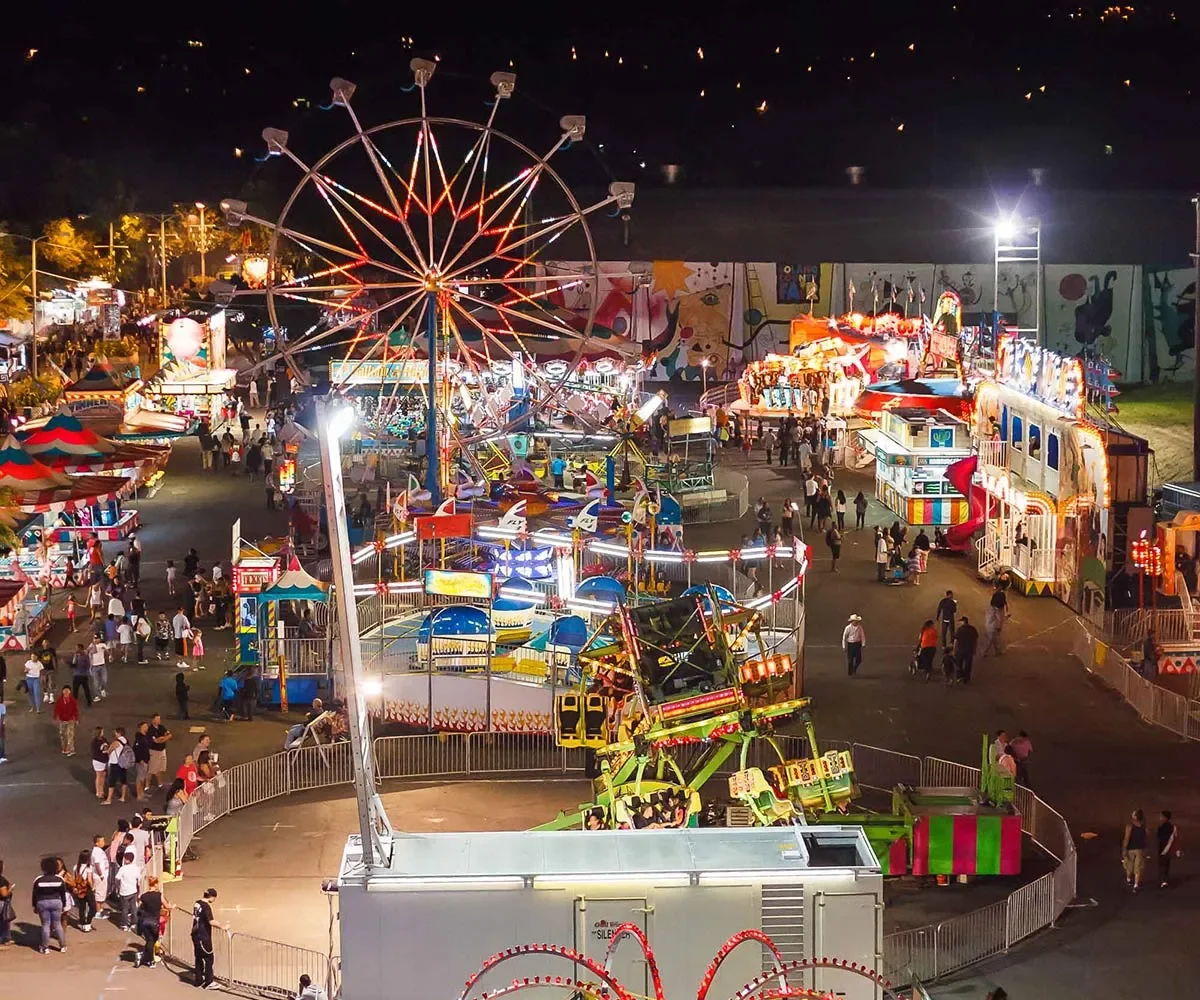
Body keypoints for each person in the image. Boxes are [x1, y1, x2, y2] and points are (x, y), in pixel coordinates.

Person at [31, 856, 70, 954]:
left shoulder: (38, 880)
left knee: (45, 924)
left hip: (42, 902)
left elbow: (35, 894)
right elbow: (63, 894)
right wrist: (64, 905)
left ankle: (45, 947)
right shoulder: (59, 879)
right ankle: (63, 946)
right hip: (56, 902)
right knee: (57, 924)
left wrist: (35, 906)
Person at [192, 887, 226, 989]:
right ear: (211, 897)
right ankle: (209, 981)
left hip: (195, 934)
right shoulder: (206, 907)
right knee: (209, 958)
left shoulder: (197, 903)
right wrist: (222, 926)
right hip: (203, 936)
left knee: (198, 957)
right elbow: (211, 921)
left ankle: (198, 980)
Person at [133, 876, 163, 968]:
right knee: (152, 941)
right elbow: (166, 905)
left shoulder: (144, 896)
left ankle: (143, 956)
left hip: (145, 921)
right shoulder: (159, 895)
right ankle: (150, 960)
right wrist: (172, 906)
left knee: (149, 940)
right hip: (154, 921)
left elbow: (140, 906)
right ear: (155, 884)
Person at [103, 726, 132, 805]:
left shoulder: (116, 742)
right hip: (123, 762)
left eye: (115, 732)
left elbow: (109, 750)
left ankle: (109, 799)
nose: (114, 734)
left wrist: (107, 751)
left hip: (115, 763)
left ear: (118, 733)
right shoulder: (126, 741)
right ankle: (123, 797)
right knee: (123, 780)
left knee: (112, 781)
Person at [1122, 808, 1149, 892]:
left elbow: (1126, 838)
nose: (1132, 815)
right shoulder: (1144, 826)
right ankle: (1136, 884)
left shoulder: (1129, 826)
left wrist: (1124, 849)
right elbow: (1147, 838)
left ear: (1136, 817)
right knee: (1138, 866)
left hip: (1131, 849)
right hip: (1140, 849)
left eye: (1133, 814)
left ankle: (1129, 879)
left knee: (1130, 865)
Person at [70, 850, 97, 932]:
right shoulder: (89, 868)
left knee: (82, 907)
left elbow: (74, 878)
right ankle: (88, 923)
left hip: (79, 889)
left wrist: (75, 888)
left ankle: (82, 923)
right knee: (93, 907)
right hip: (87, 889)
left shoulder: (76, 867)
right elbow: (89, 880)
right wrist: (93, 888)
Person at [114, 852, 140, 931]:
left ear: (126, 859)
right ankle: (134, 923)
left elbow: (117, 878)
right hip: (133, 890)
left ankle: (124, 924)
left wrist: (117, 887)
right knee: (133, 908)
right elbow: (138, 879)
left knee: (125, 909)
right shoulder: (136, 868)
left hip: (124, 891)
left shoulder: (123, 869)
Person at [147, 713, 173, 790]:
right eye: (157, 719)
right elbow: (156, 741)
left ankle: (160, 783)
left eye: (159, 719)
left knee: (161, 768)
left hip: (162, 750)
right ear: (153, 720)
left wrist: (163, 738)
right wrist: (163, 738)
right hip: (154, 751)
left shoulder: (161, 727)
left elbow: (169, 735)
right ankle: (147, 785)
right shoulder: (150, 730)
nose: (159, 720)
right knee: (152, 769)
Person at [53, 686, 79, 756]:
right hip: (62, 720)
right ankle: (64, 748)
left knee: (70, 735)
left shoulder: (73, 700)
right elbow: (56, 709)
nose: (66, 692)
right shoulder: (59, 700)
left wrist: (76, 719)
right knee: (62, 734)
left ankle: (70, 749)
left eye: (67, 691)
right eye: (65, 691)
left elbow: (75, 710)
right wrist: (56, 717)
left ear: (70, 692)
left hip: (70, 720)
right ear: (62, 692)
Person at [954, 616, 979, 684]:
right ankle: (966, 678)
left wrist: (954, 650)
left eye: (960, 621)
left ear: (963, 622)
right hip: (969, 650)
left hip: (960, 650)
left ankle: (959, 676)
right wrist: (974, 649)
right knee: (968, 665)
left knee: (959, 663)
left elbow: (956, 641)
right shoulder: (973, 629)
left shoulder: (959, 629)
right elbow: (975, 640)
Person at [1156, 810, 1178, 888]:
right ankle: (1164, 880)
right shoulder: (1172, 827)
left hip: (1163, 848)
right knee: (1166, 864)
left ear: (1165, 818)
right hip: (1168, 848)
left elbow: (1158, 838)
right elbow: (1175, 837)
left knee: (1162, 864)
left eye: (1161, 816)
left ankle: (1163, 881)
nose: (1160, 817)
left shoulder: (1161, 827)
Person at [133, 721, 153, 801]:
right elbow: (136, 749)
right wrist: (140, 759)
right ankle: (139, 795)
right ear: (141, 728)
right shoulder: (139, 738)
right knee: (140, 778)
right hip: (141, 762)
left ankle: (142, 793)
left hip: (145, 760)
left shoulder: (145, 737)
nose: (146, 728)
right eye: (145, 726)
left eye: (146, 726)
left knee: (143, 778)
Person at [88, 635, 109, 701]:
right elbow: (88, 651)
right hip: (94, 666)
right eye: (95, 638)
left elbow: (108, 651)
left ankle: (102, 689)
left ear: (100, 639)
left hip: (102, 666)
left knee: (105, 680)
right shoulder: (91, 645)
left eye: (97, 638)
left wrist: (106, 651)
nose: (96, 640)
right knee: (96, 682)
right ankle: (97, 696)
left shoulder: (103, 645)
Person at [90, 727, 108, 799]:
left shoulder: (104, 739)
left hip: (104, 760)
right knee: (99, 776)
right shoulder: (95, 741)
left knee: (103, 775)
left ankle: (102, 791)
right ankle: (98, 792)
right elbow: (95, 751)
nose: (103, 732)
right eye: (102, 731)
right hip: (98, 760)